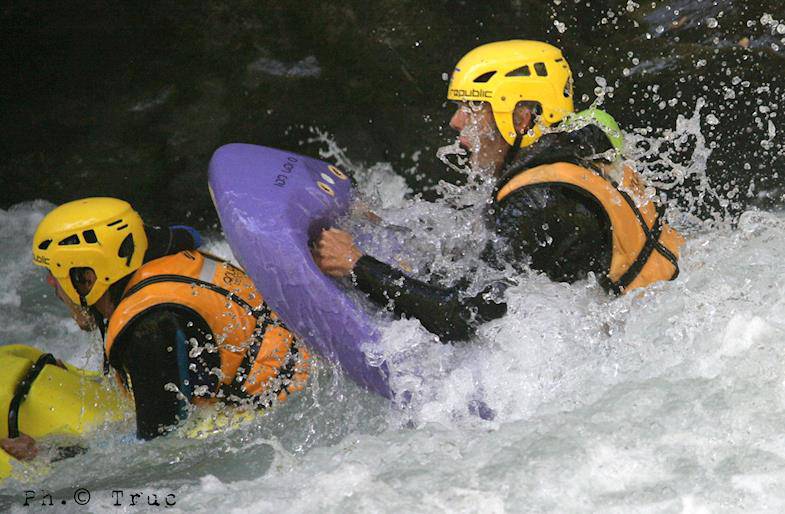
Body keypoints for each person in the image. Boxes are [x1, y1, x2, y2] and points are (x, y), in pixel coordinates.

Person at [313, 40, 685, 341]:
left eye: (473, 105)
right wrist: (385, 224)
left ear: (521, 117)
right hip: (662, 309)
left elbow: (461, 318)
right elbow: (484, 241)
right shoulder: (578, 149)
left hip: (630, 346)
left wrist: (357, 265)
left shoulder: (539, 200)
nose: (455, 121)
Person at [21, 197, 308, 449]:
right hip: (297, 372)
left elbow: (156, 450)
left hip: (284, 418)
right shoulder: (173, 264)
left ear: (87, 276)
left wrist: (52, 454)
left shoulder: (149, 328)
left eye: (53, 272)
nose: (50, 283)